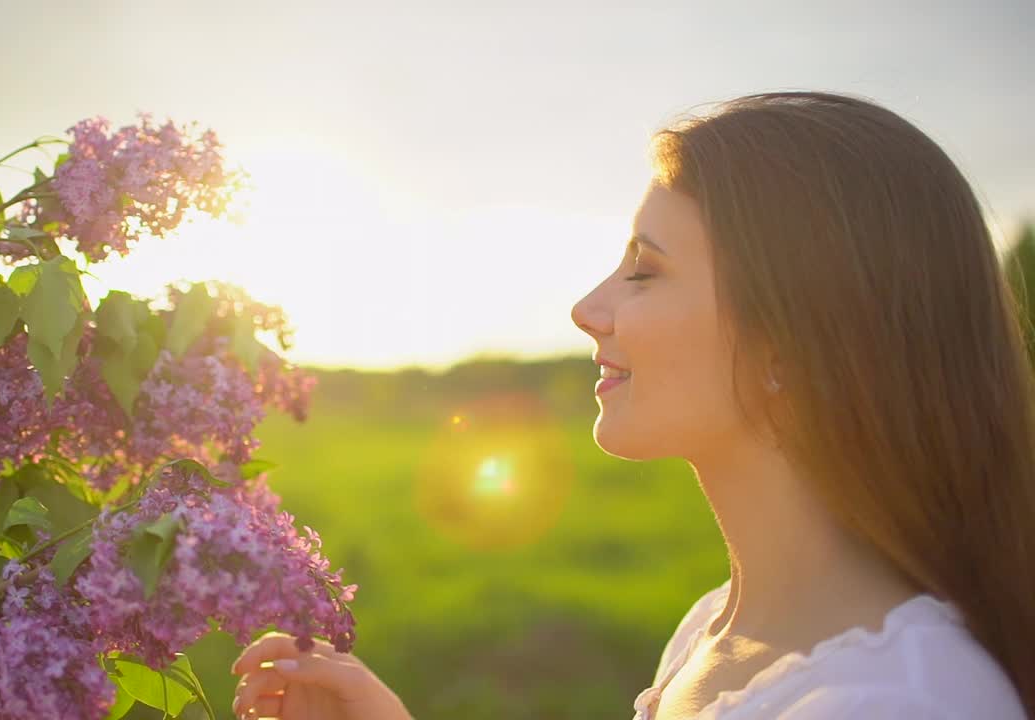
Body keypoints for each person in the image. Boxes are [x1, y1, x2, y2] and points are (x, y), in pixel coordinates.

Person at [229, 90, 1035, 719]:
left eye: (645, 271)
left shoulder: (903, 702)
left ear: (790, 342)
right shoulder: (711, 632)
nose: (588, 307)